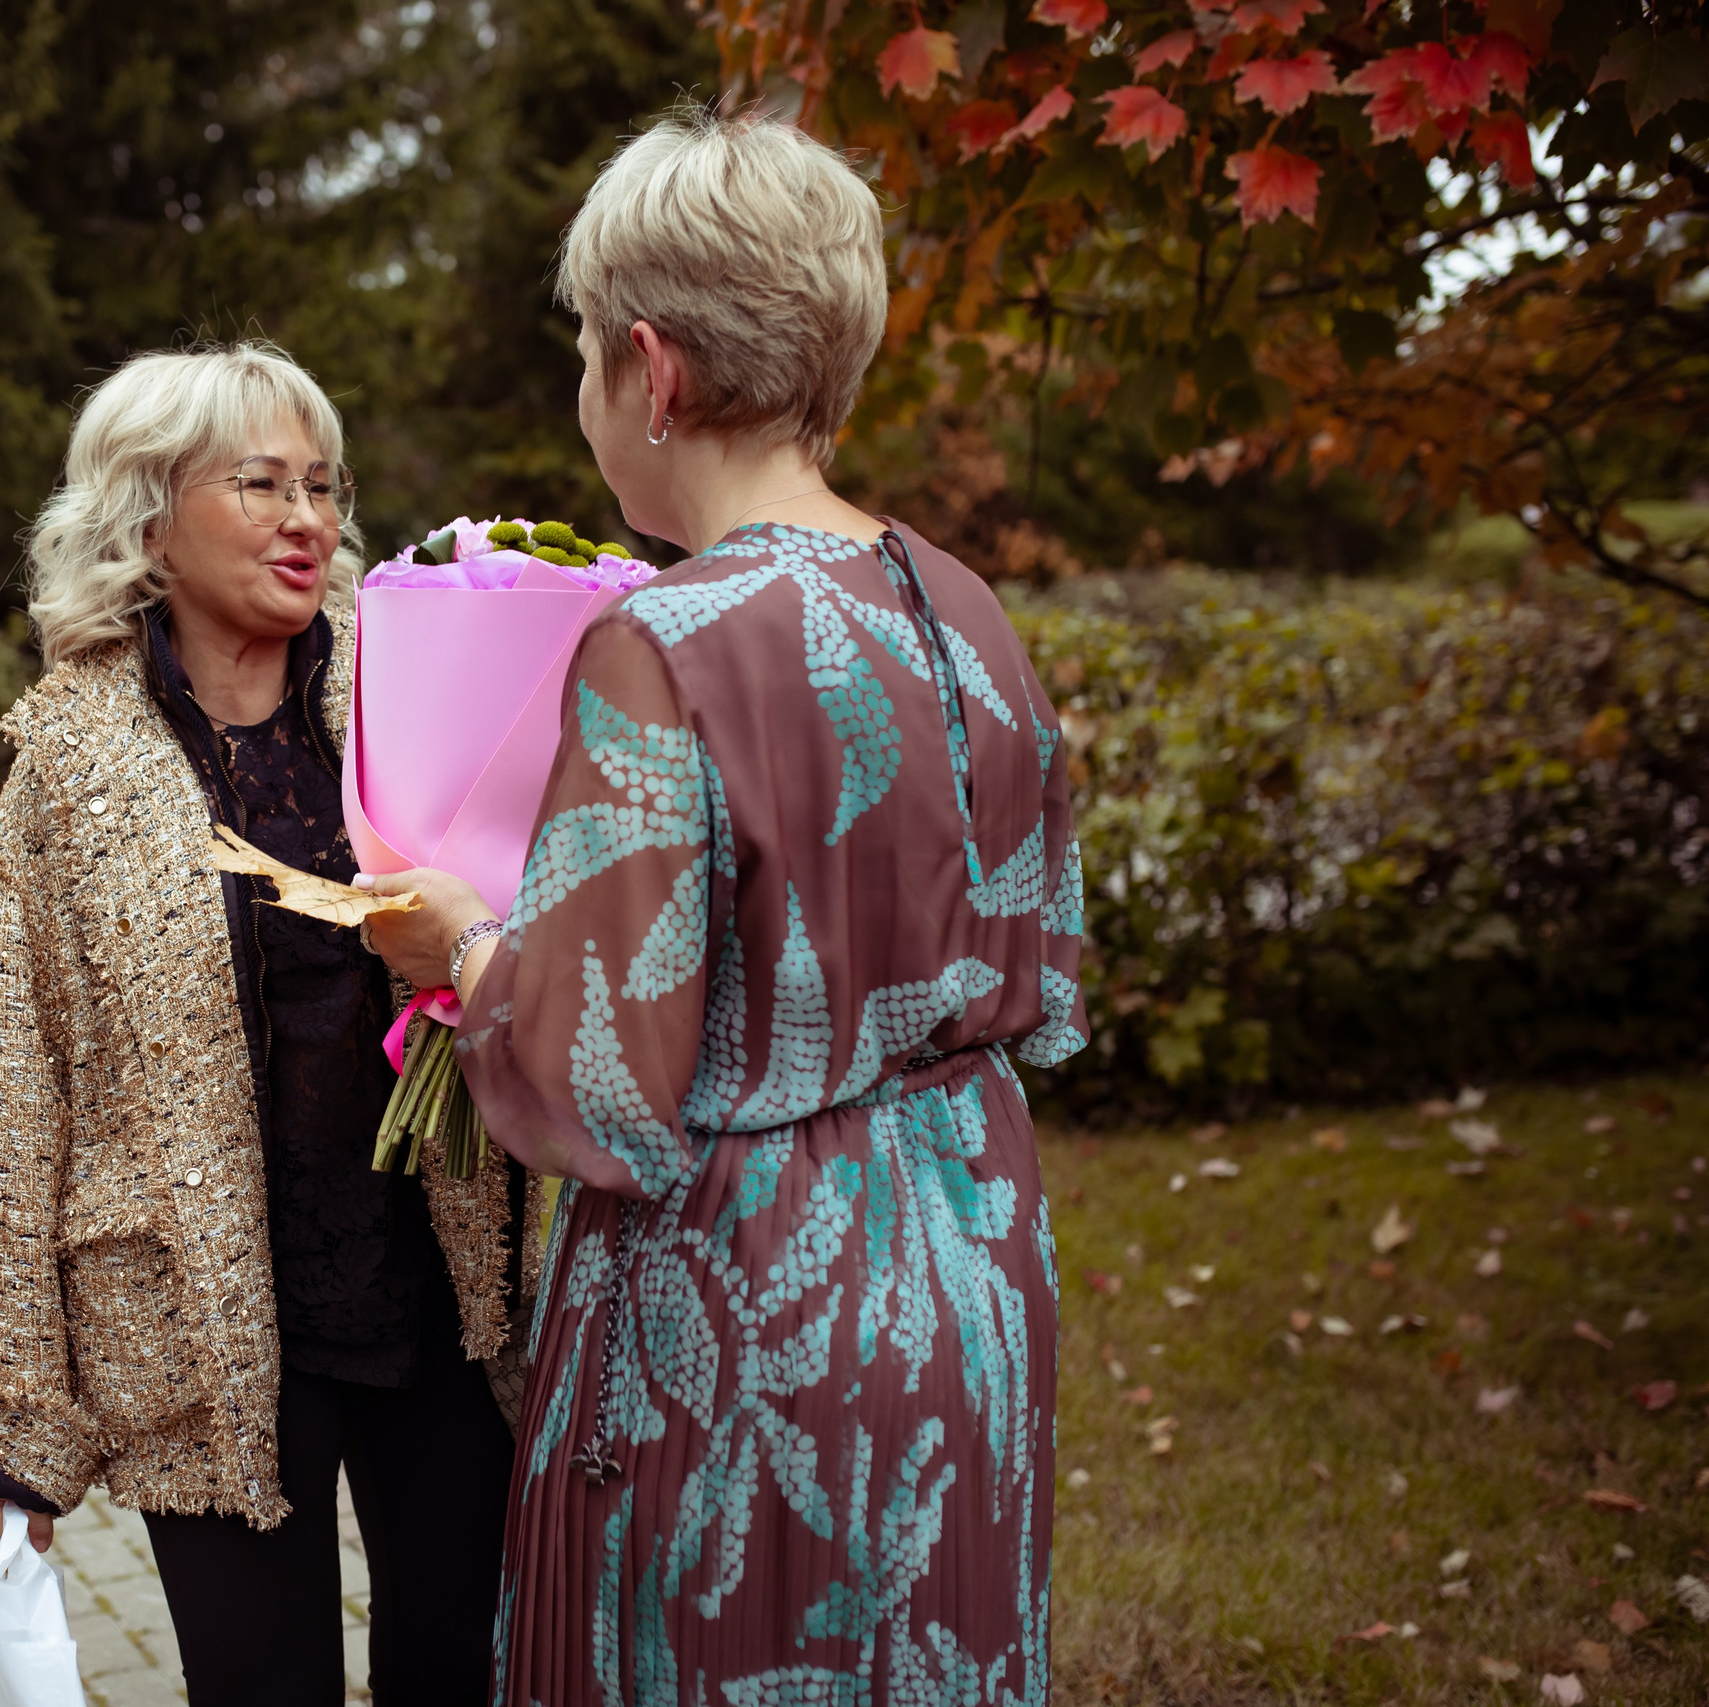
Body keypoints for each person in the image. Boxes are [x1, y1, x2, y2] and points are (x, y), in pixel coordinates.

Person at [362, 106, 1090, 1705]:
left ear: (653, 369)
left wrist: (465, 952)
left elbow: (590, 1089)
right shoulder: (961, 603)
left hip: (748, 1306)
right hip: (968, 1276)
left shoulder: (668, 641)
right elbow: (1039, 953)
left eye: (582, 354)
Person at [0, 341, 523, 1707]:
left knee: (464, 1666)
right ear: (146, 515)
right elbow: (8, 1111)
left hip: (437, 1292)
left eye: (322, 485)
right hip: (194, 1328)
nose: (308, 518)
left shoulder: (407, 700)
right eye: (259, 485)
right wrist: (15, 1417)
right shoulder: (65, 771)